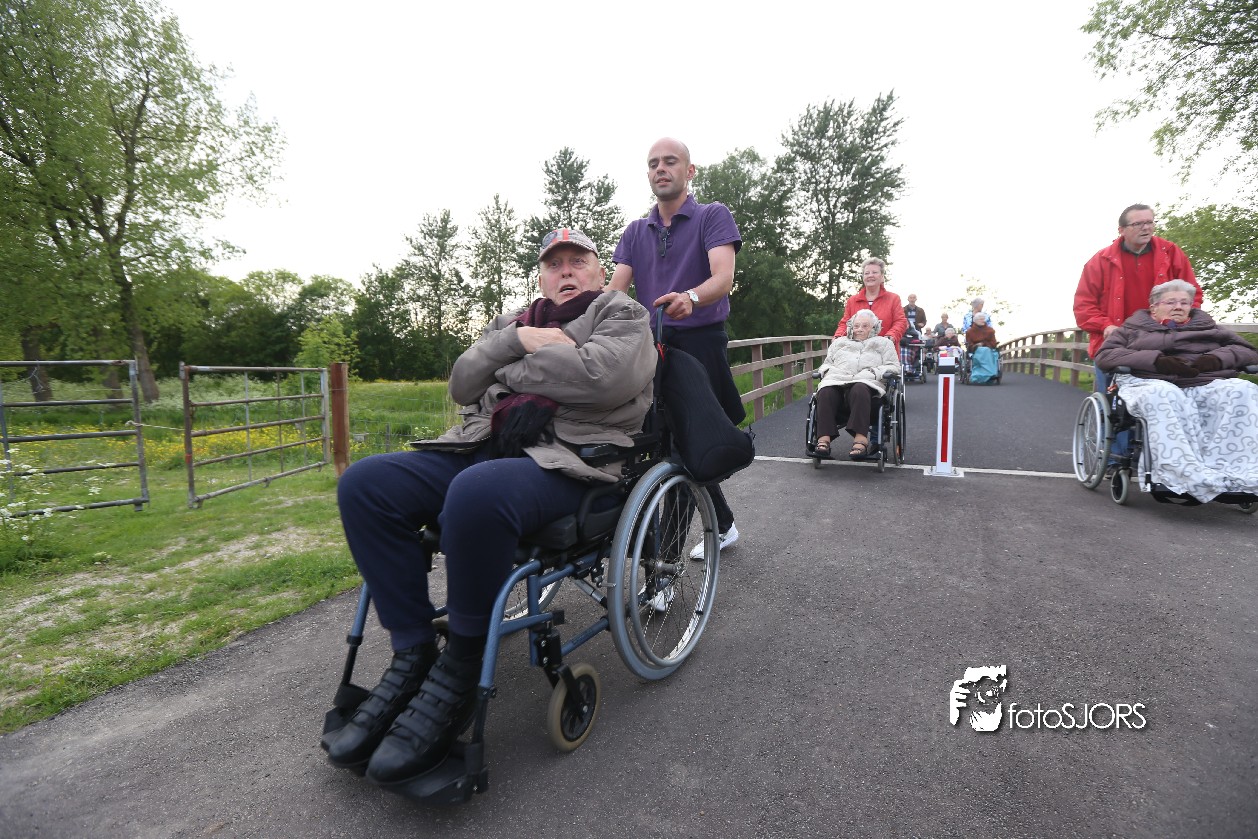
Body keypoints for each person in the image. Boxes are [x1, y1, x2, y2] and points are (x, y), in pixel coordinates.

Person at [322, 228, 655, 788]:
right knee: (365, 485)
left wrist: (503, 365)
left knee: (476, 492)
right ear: (541, 277)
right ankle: (413, 653)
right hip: (484, 444)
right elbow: (462, 384)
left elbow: (601, 378)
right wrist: (519, 341)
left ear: (601, 272)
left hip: (569, 459)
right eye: (554, 264)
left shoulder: (624, 315)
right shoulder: (512, 322)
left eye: (578, 261)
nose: (566, 271)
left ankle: (461, 665)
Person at [609, 136, 743, 557]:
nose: (660, 169)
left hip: (700, 342)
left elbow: (723, 277)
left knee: (683, 444)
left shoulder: (712, 215)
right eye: (653, 163)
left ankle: (664, 570)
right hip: (653, 346)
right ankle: (724, 525)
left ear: (690, 171)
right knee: (666, 443)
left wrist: (692, 297)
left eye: (670, 161)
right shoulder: (636, 231)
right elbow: (614, 292)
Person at [1094, 279, 1258, 502]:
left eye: (1184, 302)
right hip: (1148, 382)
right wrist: (1156, 361)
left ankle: (1235, 473)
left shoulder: (1210, 329)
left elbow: (1247, 351)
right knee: (1164, 394)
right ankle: (1177, 474)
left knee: (1243, 389)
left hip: (1200, 382)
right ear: (1154, 307)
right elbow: (1106, 356)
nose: (1178, 307)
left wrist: (1215, 359)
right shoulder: (1131, 329)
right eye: (1171, 302)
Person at [1073, 203, 1202, 392]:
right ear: (1121, 230)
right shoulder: (1099, 262)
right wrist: (1105, 326)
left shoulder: (1171, 253)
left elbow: (1193, 294)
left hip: (1164, 341)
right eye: (1138, 224)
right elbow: (1083, 306)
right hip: (1117, 344)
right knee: (1111, 401)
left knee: (1170, 394)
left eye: (1150, 222)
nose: (1146, 228)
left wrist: (1182, 320)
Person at [812, 309, 900, 460]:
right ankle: (823, 440)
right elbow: (827, 363)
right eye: (857, 325)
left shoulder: (884, 343)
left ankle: (860, 440)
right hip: (838, 380)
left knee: (859, 388)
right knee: (825, 391)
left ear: (874, 327)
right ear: (851, 326)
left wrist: (875, 373)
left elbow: (894, 367)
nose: (859, 329)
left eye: (865, 326)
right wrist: (826, 371)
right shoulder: (839, 342)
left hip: (867, 387)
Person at [834, 258, 909, 345]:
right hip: (857, 350)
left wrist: (890, 337)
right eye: (867, 273)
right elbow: (845, 324)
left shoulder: (894, 299)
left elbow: (900, 322)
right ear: (863, 277)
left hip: (884, 350)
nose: (870, 275)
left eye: (874, 272)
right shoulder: (852, 301)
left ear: (882, 276)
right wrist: (838, 337)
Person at [965, 313, 1000, 384]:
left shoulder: (990, 330)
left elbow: (993, 343)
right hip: (975, 350)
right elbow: (969, 344)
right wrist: (976, 345)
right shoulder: (970, 331)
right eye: (980, 319)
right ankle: (987, 374)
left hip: (988, 348)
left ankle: (988, 374)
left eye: (983, 319)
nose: (983, 320)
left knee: (986, 350)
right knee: (982, 350)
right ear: (975, 321)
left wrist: (984, 344)